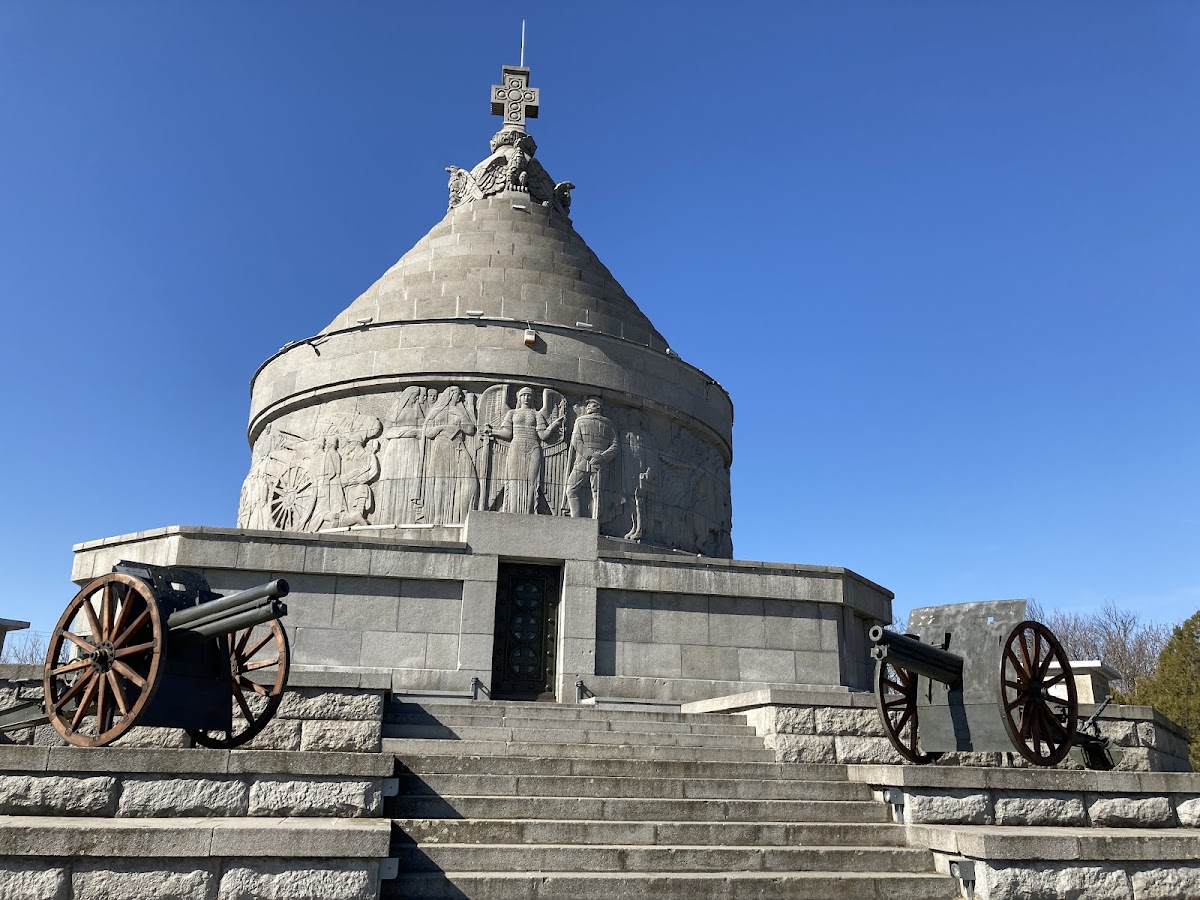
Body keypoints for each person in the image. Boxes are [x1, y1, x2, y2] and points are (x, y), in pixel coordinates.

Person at [483, 387, 564, 514]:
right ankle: (513, 511)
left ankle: (529, 511)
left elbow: (542, 435)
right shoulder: (512, 413)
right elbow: (507, 433)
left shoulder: (537, 415)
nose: (526, 398)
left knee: (532, 482)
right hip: (516, 446)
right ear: (519, 398)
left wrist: (553, 425)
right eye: (523, 395)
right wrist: (492, 431)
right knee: (514, 481)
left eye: (529, 395)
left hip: (533, 447)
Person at [420, 386, 479, 523]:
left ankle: (462, 516)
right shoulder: (437, 410)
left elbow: (470, 430)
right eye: (458, 395)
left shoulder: (460, 410)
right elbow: (427, 432)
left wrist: (462, 412)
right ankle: (437, 516)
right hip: (441, 446)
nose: (460, 398)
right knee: (440, 482)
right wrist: (442, 427)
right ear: (451, 394)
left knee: (470, 481)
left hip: (458, 446)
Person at [564, 397, 618, 519]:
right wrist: (594, 456)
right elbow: (575, 440)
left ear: (598, 407)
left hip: (595, 462)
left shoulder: (607, 423)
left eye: (591, 405)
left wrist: (602, 457)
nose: (588, 406)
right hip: (587, 461)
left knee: (597, 494)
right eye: (587, 405)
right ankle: (576, 519)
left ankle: (595, 522)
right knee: (572, 490)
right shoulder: (581, 421)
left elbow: (616, 444)